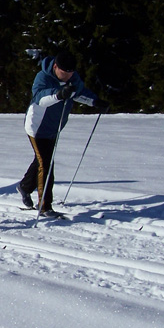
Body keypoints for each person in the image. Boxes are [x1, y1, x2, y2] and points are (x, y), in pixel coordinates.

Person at [18, 51, 109, 217]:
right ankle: (45, 206)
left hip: (54, 128)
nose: (68, 76)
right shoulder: (43, 77)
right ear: (55, 66)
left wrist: (96, 101)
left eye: (71, 72)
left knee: (42, 160)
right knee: (46, 165)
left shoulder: (73, 79)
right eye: (64, 72)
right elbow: (40, 98)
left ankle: (24, 186)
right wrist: (59, 94)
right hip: (36, 127)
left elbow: (79, 93)